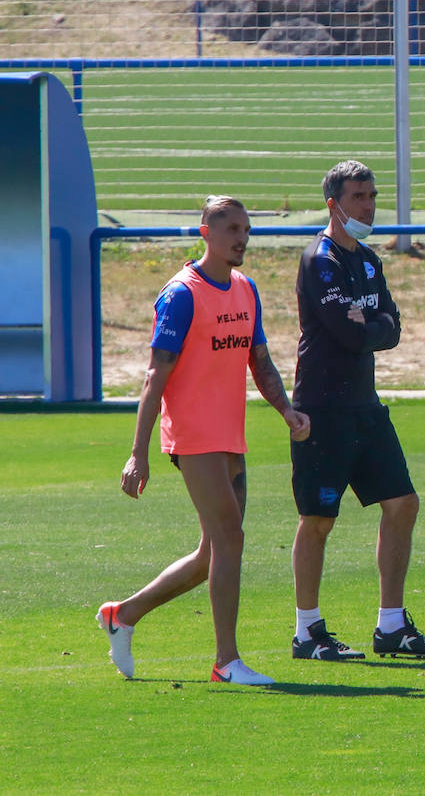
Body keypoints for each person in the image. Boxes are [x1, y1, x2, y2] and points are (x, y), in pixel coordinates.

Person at [100, 195, 311, 685]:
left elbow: (259, 359)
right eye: (232, 228)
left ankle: (122, 615)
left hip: (230, 433)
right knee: (230, 537)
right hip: (193, 435)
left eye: (247, 230)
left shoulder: (246, 290)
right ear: (206, 233)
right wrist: (138, 453)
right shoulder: (181, 294)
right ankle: (226, 661)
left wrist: (286, 410)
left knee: (212, 553)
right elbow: (156, 376)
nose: (242, 238)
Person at [288, 160, 425, 661]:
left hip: (364, 407)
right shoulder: (321, 260)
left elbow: (391, 328)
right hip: (322, 410)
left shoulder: (369, 261)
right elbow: (347, 331)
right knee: (318, 519)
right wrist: (368, 324)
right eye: (360, 197)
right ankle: (307, 631)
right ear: (334, 204)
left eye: (373, 196)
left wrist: (371, 323)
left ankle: (391, 627)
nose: (370, 206)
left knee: (403, 503)